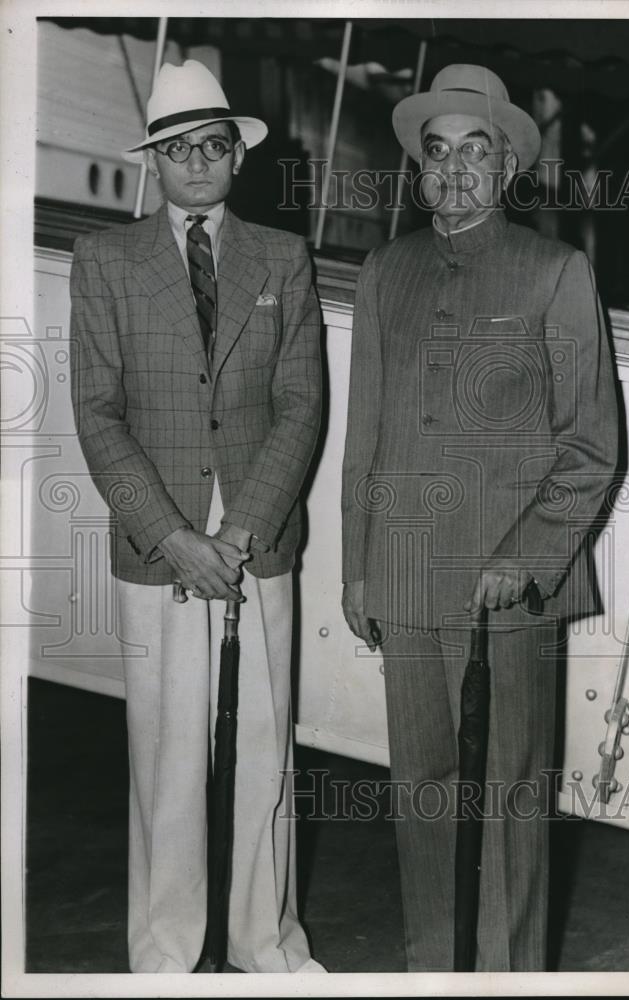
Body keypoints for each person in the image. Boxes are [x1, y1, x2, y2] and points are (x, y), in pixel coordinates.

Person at [341, 64, 619, 971]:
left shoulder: (556, 271)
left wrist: (527, 555)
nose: (454, 169)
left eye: (476, 149)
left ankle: (507, 979)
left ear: (507, 169)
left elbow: (590, 449)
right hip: (407, 576)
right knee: (420, 789)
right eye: (438, 152)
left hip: (511, 592)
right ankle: (434, 969)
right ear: (419, 172)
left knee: (507, 796)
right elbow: (366, 436)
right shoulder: (387, 271)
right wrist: (356, 567)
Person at [69, 59, 324, 974]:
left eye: (212, 146)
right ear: (156, 163)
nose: (197, 164)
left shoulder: (283, 259)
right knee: (166, 759)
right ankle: (166, 960)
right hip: (160, 544)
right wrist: (175, 537)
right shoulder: (104, 261)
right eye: (178, 150)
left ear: (236, 159)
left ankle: (267, 948)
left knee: (263, 746)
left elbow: (301, 405)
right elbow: (97, 413)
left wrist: (241, 531)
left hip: (257, 541)